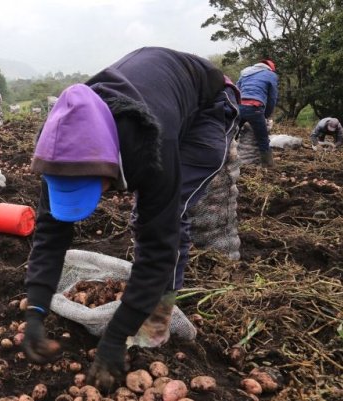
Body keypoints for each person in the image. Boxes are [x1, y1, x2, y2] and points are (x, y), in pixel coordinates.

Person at [21, 47, 240, 392]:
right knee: (147, 213)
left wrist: (116, 336)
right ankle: (141, 308)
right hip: (158, 94)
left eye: (92, 189)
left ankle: (155, 320)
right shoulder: (60, 146)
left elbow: (158, 247)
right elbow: (51, 230)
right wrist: (35, 310)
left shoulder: (151, 146)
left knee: (172, 212)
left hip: (209, 104)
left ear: (111, 165)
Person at [237, 59, 278, 166]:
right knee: (263, 139)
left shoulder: (245, 72)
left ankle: (226, 159)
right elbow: (272, 98)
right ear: (270, 68)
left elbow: (236, 89)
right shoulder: (271, 75)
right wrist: (265, 116)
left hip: (239, 106)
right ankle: (268, 165)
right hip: (255, 108)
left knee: (232, 135)